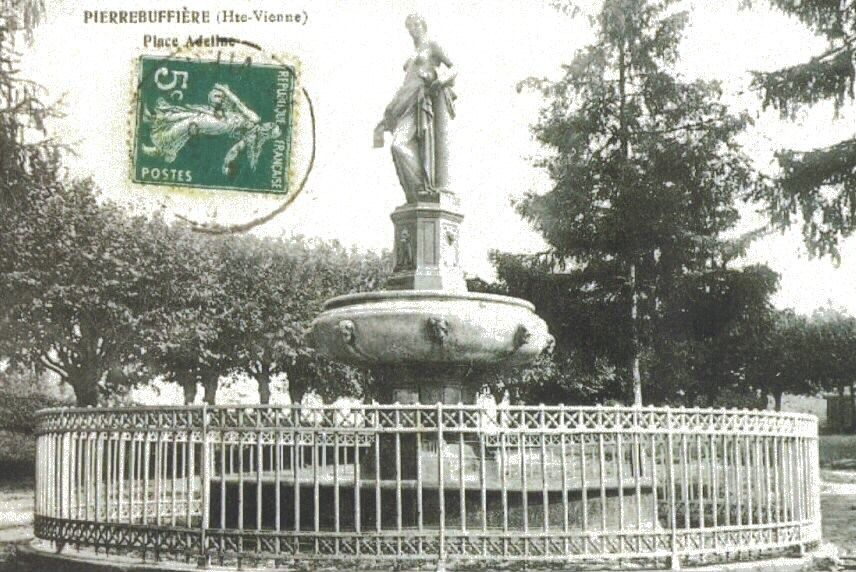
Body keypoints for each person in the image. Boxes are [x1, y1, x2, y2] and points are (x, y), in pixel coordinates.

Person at [374, 14, 456, 202]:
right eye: (409, 26)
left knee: (399, 145)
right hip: (406, 100)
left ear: (423, 25)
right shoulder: (413, 54)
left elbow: (454, 67)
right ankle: (416, 192)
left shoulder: (432, 45)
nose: (413, 29)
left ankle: (423, 188)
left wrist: (441, 80)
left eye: (416, 24)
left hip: (420, 100)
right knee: (397, 146)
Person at [142, 83, 281, 176]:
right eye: (272, 124)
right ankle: (156, 124)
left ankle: (161, 142)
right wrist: (226, 165)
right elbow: (235, 150)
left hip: (221, 123)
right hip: (221, 120)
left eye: (271, 127)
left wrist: (226, 91)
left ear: (268, 131)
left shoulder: (255, 120)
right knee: (191, 115)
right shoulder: (252, 137)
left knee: (192, 121)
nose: (269, 124)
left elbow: (239, 105)